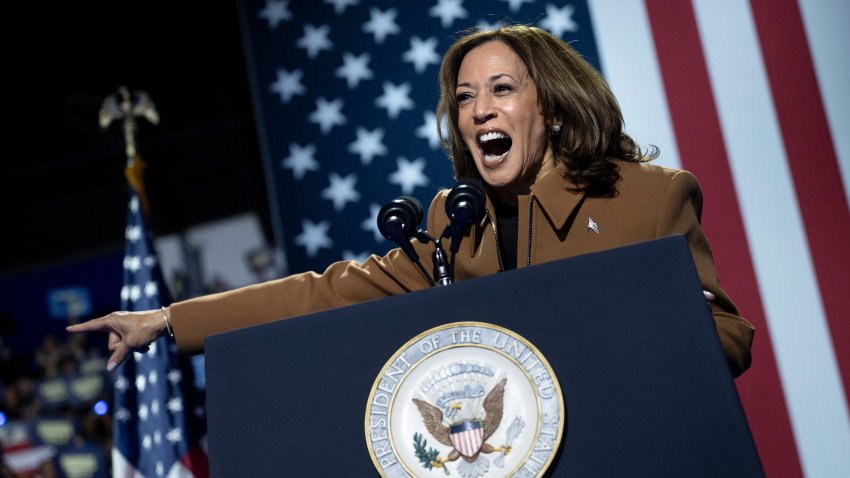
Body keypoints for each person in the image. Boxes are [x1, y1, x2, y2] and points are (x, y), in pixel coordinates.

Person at [67, 25, 754, 377]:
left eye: (502, 90)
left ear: (554, 108)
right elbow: (325, 293)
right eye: (463, 98)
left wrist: (634, 323)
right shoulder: (455, 227)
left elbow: (729, 338)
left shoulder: (648, 198)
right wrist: (167, 318)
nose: (479, 109)